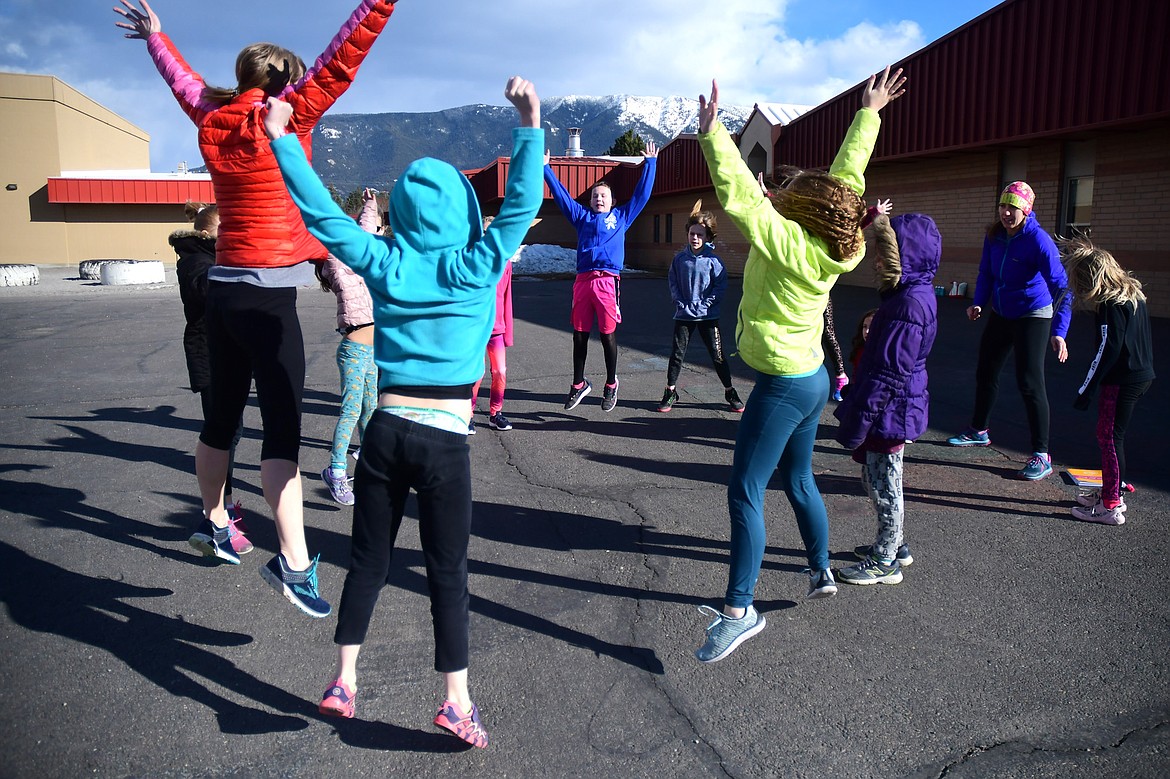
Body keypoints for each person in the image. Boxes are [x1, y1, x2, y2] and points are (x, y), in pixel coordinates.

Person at [264, 76, 544, 748]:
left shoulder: (385, 260)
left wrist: (282, 142)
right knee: (447, 571)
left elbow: (323, 219)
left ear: (404, 214)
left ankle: (344, 679)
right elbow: (522, 203)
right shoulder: (479, 262)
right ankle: (455, 700)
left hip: (384, 431)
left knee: (368, 561)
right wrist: (529, 123)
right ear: (460, 209)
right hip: (446, 439)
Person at [115, 0, 398, 618]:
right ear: (282, 83)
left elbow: (183, 81)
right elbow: (344, 57)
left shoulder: (212, 116)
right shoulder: (289, 118)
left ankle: (216, 520)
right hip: (270, 299)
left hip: (223, 293)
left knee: (220, 419)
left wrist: (157, 40)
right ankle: (294, 563)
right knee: (283, 434)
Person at [691, 66, 906, 664]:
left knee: (745, 490)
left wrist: (713, 136)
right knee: (801, 479)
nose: (787, 194)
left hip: (786, 384)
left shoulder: (786, 241)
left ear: (807, 209)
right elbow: (848, 176)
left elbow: (739, 198)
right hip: (812, 379)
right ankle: (820, 571)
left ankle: (739, 610)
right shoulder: (837, 241)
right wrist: (870, 113)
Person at [834, 212, 941, 584]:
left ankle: (885, 560)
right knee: (876, 478)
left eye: (884, 251)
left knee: (883, 483)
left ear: (904, 256)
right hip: (894, 408)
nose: (876, 259)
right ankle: (894, 543)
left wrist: (859, 419)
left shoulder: (908, 305)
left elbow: (888, 373)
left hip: (892, 411)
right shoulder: (906, 297)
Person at [946, 181, 1071, 481]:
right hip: (1002, 312)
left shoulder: (1038, 241)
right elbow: (986, 272)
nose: (1006, 213)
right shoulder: (995, 236)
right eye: (1003, 206)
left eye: (1013, 207)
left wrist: (1060, 330)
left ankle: (1042, 455)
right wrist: (978, 302)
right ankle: (979, 430)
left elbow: (1063, 287)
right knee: (986, 370)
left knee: (1029, 382)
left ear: (1026, 210)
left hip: (1033, 314)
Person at [544, 140, 658, 412]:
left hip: (607, 281)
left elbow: (641, 196)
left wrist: (650, 165)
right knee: (579, 335)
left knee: (607, 335)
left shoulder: (621, 217)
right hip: (583, 281)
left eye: (603, 195)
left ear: (612, 201)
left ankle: (610, 384)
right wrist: (546, 169)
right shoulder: (581, 217)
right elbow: (562, 197)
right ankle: (578, 384)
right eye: (595, 195)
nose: (599, 198)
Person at [169, 202, 251, 554]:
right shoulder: (194, 259)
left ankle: (224, 510)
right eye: (227, 233)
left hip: (227, 354)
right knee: (221, 436)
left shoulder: (208, 256)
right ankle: (216, 516)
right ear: (210, 233)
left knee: (232, 432)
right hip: (210, 357)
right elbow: (203, 290)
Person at [1062, 238, 1154, 525]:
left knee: (1109, 438)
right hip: (1139, 375)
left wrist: (1085, 389)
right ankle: (1110, 492)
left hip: (1121, 380)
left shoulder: (1110, 305)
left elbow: (1107, 349)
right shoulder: (1132, 295)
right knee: (1114, 437)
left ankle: (1111, 504)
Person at [317, 190, 381, 506]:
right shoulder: (339, 271)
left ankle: (370, 466)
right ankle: (337, 471)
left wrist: (370, 205)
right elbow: (334, 240)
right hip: (354, 351)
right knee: (352, 410)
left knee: (370, 410)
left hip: (371, 352)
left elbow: (365, 232)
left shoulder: (365, 264)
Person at [655, 201, 744, 413]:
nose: (695, 238)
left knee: (718, 355)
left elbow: (719, 287)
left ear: (708, 237)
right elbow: (673, 282)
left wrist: (706, 304)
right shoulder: (679, 259)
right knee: (677, 354)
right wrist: (679, 301)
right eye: (692, 233)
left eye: (700, 234)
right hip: (684, 316)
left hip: (707, 317)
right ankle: (670, 391)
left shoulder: (715, 262)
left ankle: (729, 390)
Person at [469, 215, 519, 433]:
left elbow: (507, 297)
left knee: (499, 371)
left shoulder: (506, 262)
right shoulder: (473, 261)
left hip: (497, 330)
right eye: (486, 232)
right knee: (475, 373)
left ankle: (495, 413)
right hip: (477, 329)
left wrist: (508, 331)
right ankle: (467, 415)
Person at [848, 308, 878, 377]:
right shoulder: (859, 351)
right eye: (864, 327)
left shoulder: (886, 355)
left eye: (872, 327)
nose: (866, 331)